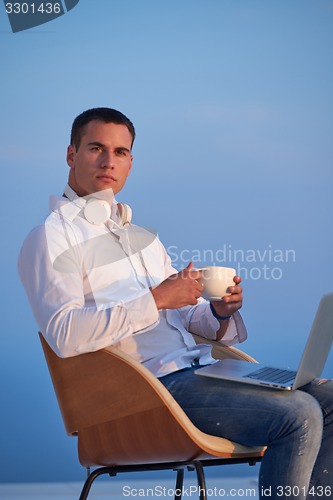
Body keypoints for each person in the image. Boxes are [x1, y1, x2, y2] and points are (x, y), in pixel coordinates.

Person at [18, 107, 333, 499]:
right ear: (71, 155)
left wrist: (218, 312)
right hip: (147, 394)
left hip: (202, 373)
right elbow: (65, 335)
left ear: (131, 162)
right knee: (299, 414)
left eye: (120, 152)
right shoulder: (51, 237)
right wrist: (156, 298)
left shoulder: (141, 238)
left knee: (328, 398)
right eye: (96, 148)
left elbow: (182, 317)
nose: (107, 161)